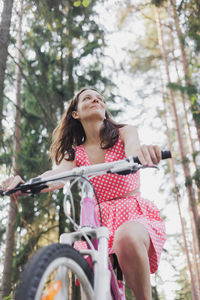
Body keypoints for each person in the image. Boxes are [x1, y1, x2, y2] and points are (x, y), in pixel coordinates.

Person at [2, 87, 166, 300]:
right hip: (98, 220)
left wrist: (144, 154)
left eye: (99, 98)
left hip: (132, 212)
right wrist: (26, 185)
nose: (95, 100)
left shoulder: (125, 132)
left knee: (127, 237)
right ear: (75, 113)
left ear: (105, 109)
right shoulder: (74, 152)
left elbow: (134, 152)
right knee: (90, 271)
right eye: (87, 98)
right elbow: (58, 175)